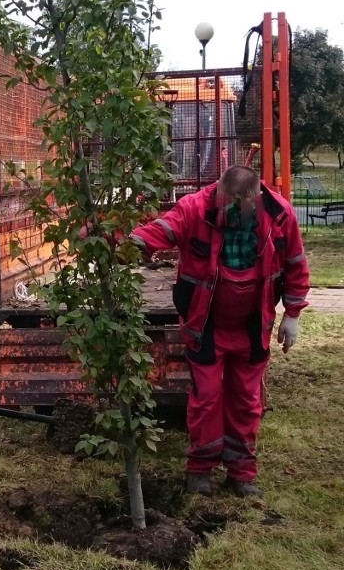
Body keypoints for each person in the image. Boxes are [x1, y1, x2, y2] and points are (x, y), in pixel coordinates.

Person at [130, 166, 309, 498]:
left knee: (246, 401)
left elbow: (296, 263)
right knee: (206, 399)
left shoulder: (280, 215)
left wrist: (292, 314)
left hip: (252, 326)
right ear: (219, 193)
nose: (232, 211)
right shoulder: (195, 208)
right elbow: (161, 230)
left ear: (255, 198)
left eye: (241, 206)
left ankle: (241, 473)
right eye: (228, 203)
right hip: (206, 325)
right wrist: (114, 240)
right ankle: (199, 470)